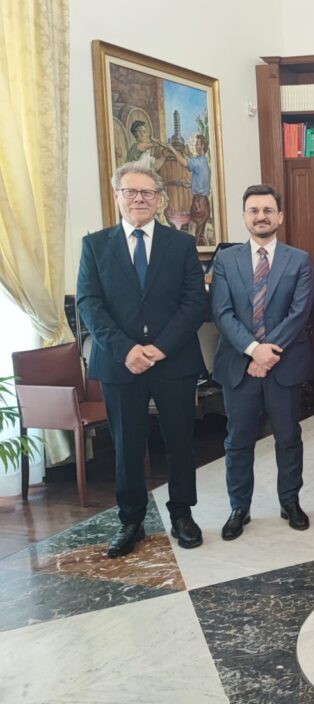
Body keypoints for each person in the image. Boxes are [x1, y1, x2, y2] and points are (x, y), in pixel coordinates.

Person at [77, 160, 206, 557]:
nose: (139, 199)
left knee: (180, 442)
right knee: (127, 445)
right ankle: (131, 521)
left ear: (158, 199)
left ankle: (182, 514)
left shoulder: (180, 244)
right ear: (117, 196)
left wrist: (161, 347)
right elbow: (89, 304)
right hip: (121, 364)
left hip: (174, 361)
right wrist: (126, 350)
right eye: (130, 191)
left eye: (147, 192)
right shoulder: (95, 245)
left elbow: (194, 302)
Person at [211, 185, 314, 541]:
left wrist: (267, 353)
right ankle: (239, 507)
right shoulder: (225, 260)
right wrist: (253, 350)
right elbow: (221, 312)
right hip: (239, 365)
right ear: (244, 217)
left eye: (268, 210)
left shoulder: (299, 260)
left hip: (283, 364)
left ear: (280, 216)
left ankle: (290, 502)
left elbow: (299, 312)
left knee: (288, 437)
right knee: (238, 440)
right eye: (254, 210)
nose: (261, 216)